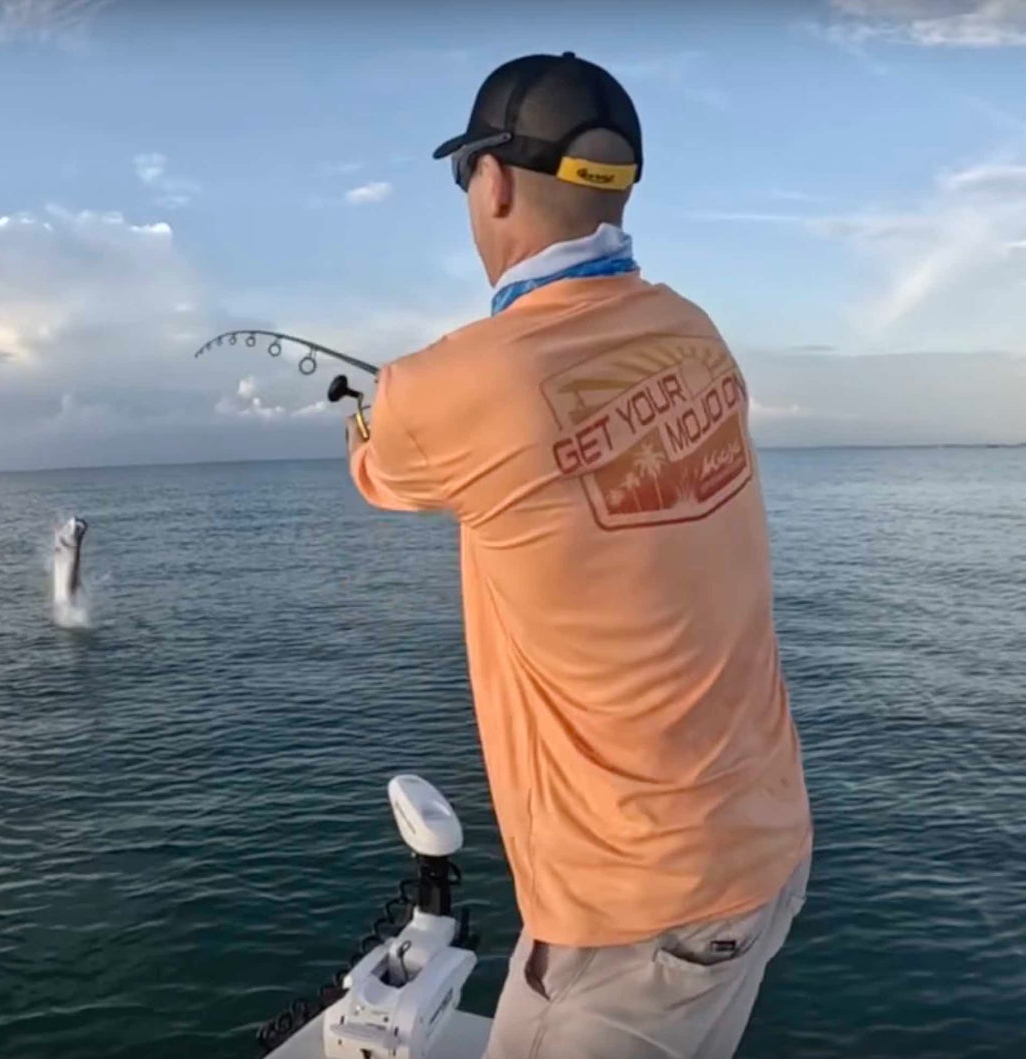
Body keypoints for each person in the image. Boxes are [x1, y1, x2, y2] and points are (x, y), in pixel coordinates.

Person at [344, 52, 813, 1059]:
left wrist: (364, 417)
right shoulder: (694, 336)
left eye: (463, 179)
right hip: (758, 849)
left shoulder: (450, 386)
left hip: (647, 914)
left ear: (496, 180)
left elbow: (381, 470)